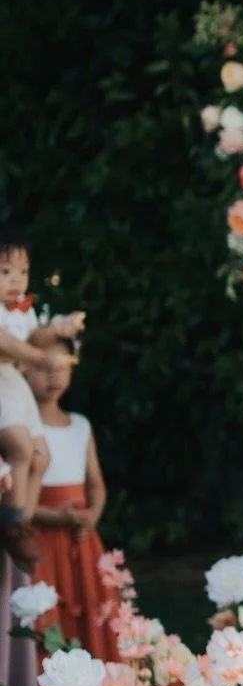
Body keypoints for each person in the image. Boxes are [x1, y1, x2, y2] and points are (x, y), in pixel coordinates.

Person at [0, 228, 85, 568]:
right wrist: (39, 359)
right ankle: (13, 521)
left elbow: (35, 336)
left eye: (22, 271)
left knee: (40, 454)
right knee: (20, 447)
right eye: (6, 272)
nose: (16, 280)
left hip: (14, 383)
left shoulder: (20, 310)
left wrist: (59, 330)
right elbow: (8, 344)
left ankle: (23, 518)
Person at [25, 348, 116, 657]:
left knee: (88, 604)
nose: (53, 376)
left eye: (61, 368)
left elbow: (96, 484)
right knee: (44, 610)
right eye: (43, 368)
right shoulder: (20, 430)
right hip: (40, 540)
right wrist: (52, 516)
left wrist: (92, 514)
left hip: (80, 538)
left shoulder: (80, 425)